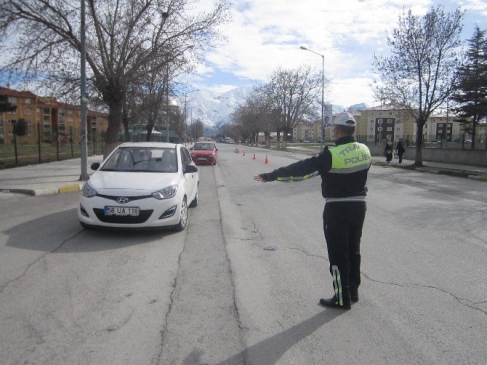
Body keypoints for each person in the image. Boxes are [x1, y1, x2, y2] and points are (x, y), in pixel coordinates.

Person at [254, 112, 371, 310]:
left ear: (336, 130)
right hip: (359, 206)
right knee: (354, 250)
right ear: (353, 130)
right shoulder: (365, 150)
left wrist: (272, 175)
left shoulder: (331, 155)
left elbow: (302, 170)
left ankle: (341, 298)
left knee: (337, 253)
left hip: (336, 208)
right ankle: (352, 292)